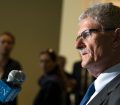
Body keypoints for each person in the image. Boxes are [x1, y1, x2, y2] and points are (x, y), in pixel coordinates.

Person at [75, 3, 120, 105]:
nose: (77, 45)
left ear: (116, 38)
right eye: (78, 38)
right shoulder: (97, 89)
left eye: (86, 34)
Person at [0, 32, 22, 105]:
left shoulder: (15, 66)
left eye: (9, 43)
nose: (6, 45)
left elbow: (11, 90)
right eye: (3, 42)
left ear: (13, 45)